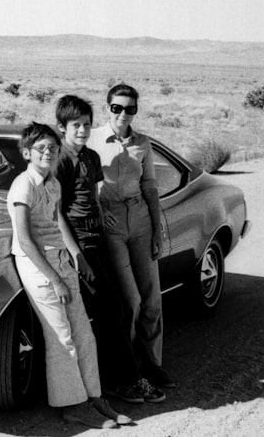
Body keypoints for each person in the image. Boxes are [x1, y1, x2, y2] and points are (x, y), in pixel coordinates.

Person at [8, 122, 131, 428]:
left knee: (84, 335)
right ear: (27, 153)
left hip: (61, 261)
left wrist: (75, 259)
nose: (48, 152)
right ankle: (73, 405)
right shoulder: (23, 186)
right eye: (41, 148)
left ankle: (94, 398)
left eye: (52, 147)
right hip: (38, 267)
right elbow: (25, 240)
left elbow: (56, 224)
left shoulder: (52, 183)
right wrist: (56, 279)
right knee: (61, 338)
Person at [55, 95, 166, 404]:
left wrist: (101, 217)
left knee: (115, 310)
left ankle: (127, 378)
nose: (82, 130)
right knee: (112, 312)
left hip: (99, 237)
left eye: (86, 125)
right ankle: (125, 381)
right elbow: (57, 211)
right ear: (62, 127)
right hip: (80, 244)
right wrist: (77, 256)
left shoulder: (89, 156)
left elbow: (93, 192)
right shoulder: (59, 159)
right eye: (76, 126)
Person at [88, 83, 176, 390]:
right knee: (131, 300)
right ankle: (128, 370)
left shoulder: (143, 143)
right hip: (111, 224)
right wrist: (99, 210)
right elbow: (83, 180)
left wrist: (156, 231)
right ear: (108, 107)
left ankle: (152, 365)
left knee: (152, 299)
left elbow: (150, 186)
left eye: (130, 109)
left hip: (139, 220)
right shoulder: (93, 138)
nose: (123, 114)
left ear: (135, 110)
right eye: (117, 108)